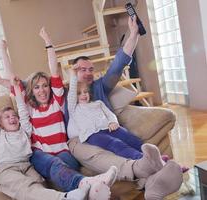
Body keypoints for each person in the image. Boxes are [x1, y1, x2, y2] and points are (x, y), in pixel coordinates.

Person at [66, 16, 183, 199]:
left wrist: (134, 33)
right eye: (82, 69)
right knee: (113, 149)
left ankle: (153, 181)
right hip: (81, 139)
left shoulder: (99, 87)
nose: (88, 72)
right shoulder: (67, 95)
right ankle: (155, 170)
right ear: (73, 72)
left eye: (90, 69)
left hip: (109, 129)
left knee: (130, 141)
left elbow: (118, 65)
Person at [0, 34, 119, 200]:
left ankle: (87, 189)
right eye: (37, 87)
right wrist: (3, 50)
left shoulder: (58, 101)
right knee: (53, 164)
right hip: (40, 154)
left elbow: (53, 70)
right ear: (32, 91)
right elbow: (13, 80)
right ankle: (88, 183)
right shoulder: (29, 108)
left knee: (62, 165)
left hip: (63, 152)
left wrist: (48, 42)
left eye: (45, 86)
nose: (42, 90)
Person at [0, 73, 92, 200]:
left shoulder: (25, 130)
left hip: (27, 166)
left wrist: (16, 87)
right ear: (1, 124)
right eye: (7, 117)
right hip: (7, 168)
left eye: (14, 115)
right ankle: (64, 197)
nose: (12, 118)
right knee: (25, 187)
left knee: (40, 183)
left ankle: (79, 191)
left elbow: (21, 108)